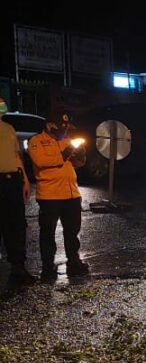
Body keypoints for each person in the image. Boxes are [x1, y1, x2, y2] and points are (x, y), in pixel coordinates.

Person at [27, 111, 89, 281]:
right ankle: (48, 265)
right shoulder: (36, 141)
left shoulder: (67, 141)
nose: (64, 129)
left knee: (72, 230)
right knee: (48, 232)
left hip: (71, 194)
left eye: (66, 126)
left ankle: (74, 260)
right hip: (50, 195)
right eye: (60, 126)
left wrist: (80, 153)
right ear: (49, 125)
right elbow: (41, 162)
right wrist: (65, 153)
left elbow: (77, 163)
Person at [0, 97, 35, 285]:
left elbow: (16, 156)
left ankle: (18, 269)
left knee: (17, 225)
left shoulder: (9, 129)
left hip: (12, 180)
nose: (2, 105)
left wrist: (25, 180)